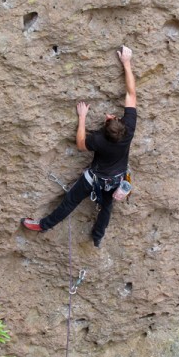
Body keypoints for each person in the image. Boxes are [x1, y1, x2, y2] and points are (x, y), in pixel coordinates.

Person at [21, 45, 137, 247]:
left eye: (108, 119)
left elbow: (81, 144)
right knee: (107, 208)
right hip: (116, 180)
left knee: (69, 202)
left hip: (95, 180)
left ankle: (43, 225)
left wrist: (82, 118)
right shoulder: (129, 128)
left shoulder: (99, 140)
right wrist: (127, 63)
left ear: (104, 129)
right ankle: (97, 237)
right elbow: (131, 93)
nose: (109, 116)